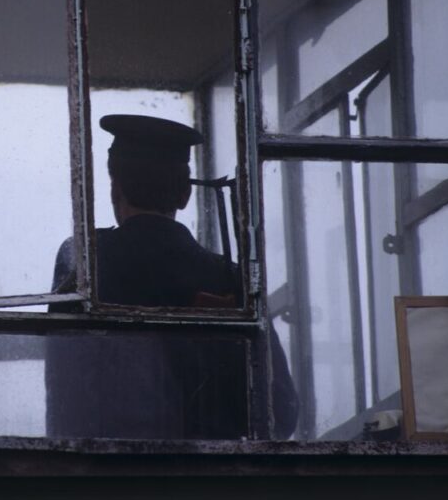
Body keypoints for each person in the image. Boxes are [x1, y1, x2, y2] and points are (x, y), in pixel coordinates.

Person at [45, 114, 298, 440]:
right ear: (185, 195)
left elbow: (65, 395)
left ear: (115, 189)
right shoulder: (230, 279)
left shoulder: (84, 261)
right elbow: (281, 413)